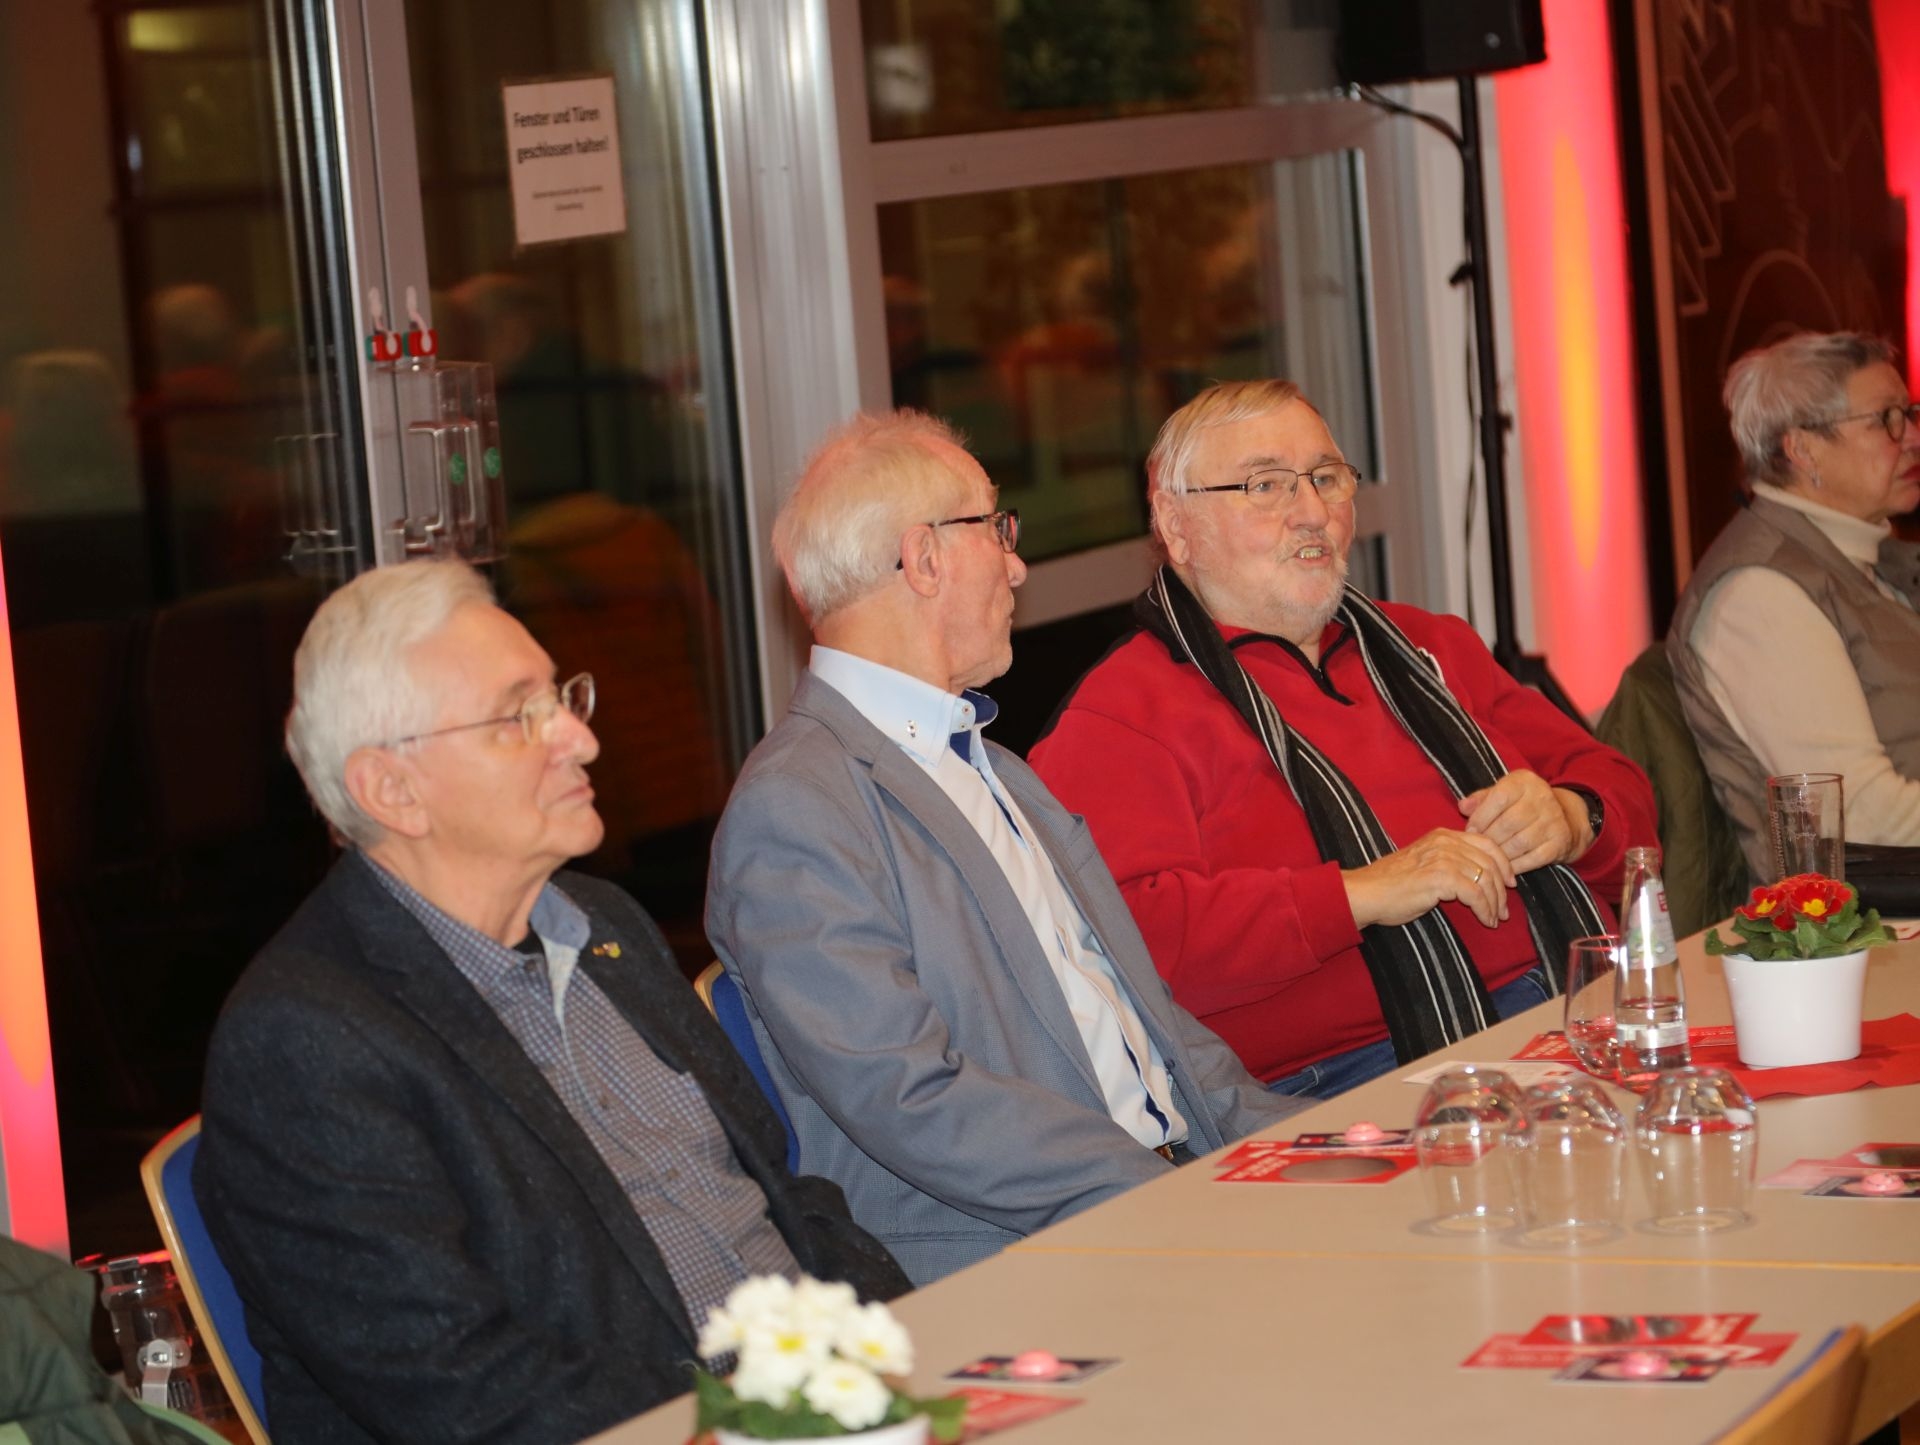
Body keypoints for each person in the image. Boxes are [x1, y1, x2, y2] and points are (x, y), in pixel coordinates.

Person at [194, 560, 907, 1445]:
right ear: (392, 789)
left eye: (562, 697)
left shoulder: (606, 925)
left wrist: (905, 1346)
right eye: (518, 716)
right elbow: (467, 1394)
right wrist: (766, 1419)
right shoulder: (304, 1043)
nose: (580, 738)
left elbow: (784, 1196)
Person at [706, 410, 1301, 1285]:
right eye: (997, 528)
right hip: (1015, 1264)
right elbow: (912, 1099)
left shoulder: (997, 769)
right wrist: (1168, 1199)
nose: (1018, 565)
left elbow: (1151, 1022)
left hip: (1159, 1199)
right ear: (924, 558)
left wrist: (1301, 1145)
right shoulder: (796, 808)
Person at [1029, 379, 1655, 1098]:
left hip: (1585, 1002)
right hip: (1355, 1075)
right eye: (1266, 485)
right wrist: (1360, 893)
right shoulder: (1122, 714)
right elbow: (1124, 941)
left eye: (1327, 478)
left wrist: (1572, 817)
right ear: (1176, 526)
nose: (1312, 512)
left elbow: (1628, 796)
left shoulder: (1428, 644)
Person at [1668, 330, 1920, 878]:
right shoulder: (1759, 594)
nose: (1912, 438)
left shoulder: (1872, 561)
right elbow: (1860, 814)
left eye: (1909, 414)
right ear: (1803, 449)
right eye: (1886, 419)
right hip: (1871, 914)